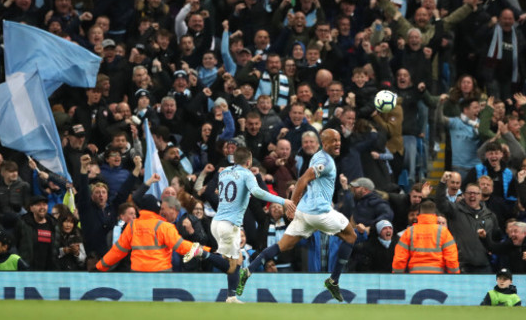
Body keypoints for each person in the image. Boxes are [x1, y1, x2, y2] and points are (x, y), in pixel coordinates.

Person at [237, 129, 357, 302]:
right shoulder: (326, 162)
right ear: (325, 143)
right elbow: (302, 180)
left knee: (282, 245)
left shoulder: (317, 156)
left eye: (339, 140)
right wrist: (291, 204)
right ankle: (334, 280)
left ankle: (248, 271)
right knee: (351, 236)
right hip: (320, 212)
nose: (338, 143)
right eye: (333, 141)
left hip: (305, 213)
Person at [184, 147, 291, 303]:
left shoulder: (224, 172)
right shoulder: (247, 174)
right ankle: (201, 252)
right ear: (248, 161)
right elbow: (258, 192)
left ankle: (231, 296)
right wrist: (282, 200)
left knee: (237, 260)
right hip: (229, 224)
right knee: (232, 266)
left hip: (217, 222)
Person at [96, 194, 210, 272]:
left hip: (138, 272)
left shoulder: (132, 226)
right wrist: (208, 251)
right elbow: (183, 247)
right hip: (161, 272)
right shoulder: (164, 226)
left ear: (141, 210)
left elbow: (117, 251)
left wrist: (100, 266)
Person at [392, 200, 460, 274]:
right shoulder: (443, 232)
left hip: (415, 276)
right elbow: (451, 259)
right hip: (437, 277)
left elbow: (400, 258)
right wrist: (454, 276)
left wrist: (397, 276)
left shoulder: (410, 231)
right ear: (434, 214)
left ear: (420, 214)